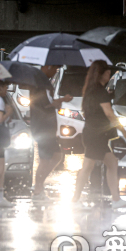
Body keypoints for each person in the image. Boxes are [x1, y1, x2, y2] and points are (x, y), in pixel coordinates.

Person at [72, 60, 126, 209]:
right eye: (108, 73)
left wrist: (107, 96)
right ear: (102, 74)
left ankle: (116, 199)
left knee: (112, 163)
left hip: (93, 133)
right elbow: (109, 114)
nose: (109, 76)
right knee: (87, 167)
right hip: (96, 136)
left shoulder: (91, 90)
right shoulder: (100, 91)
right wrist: (123, 131)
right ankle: (74, 201)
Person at [29, 65, 73, 201]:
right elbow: (45, 104)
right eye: (54, 69)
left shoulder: (43, 84)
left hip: (46, 127)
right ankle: (37, 190)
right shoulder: (39, 85)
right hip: (43, 127)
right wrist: (61, 100)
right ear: (47, 67)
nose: (55, 72)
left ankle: (39, 187)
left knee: (56, 156)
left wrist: (57, 102)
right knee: (45, 159)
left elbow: (48, 103)